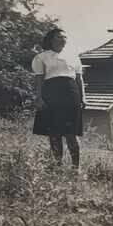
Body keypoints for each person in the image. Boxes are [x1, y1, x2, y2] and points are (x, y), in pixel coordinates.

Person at [31, 28, 85, 170]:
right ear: (51, 40)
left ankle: (76, 168)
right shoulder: (42, 57)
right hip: (51, 95)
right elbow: (39, 79)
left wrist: (83, 98)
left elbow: (79, 78)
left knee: (71, 133)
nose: (62, 40)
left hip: (71, 94)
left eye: (64, 37)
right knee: (54, 132)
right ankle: (57, 165)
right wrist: (39, 98)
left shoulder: (74, 56)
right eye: (58, 37)